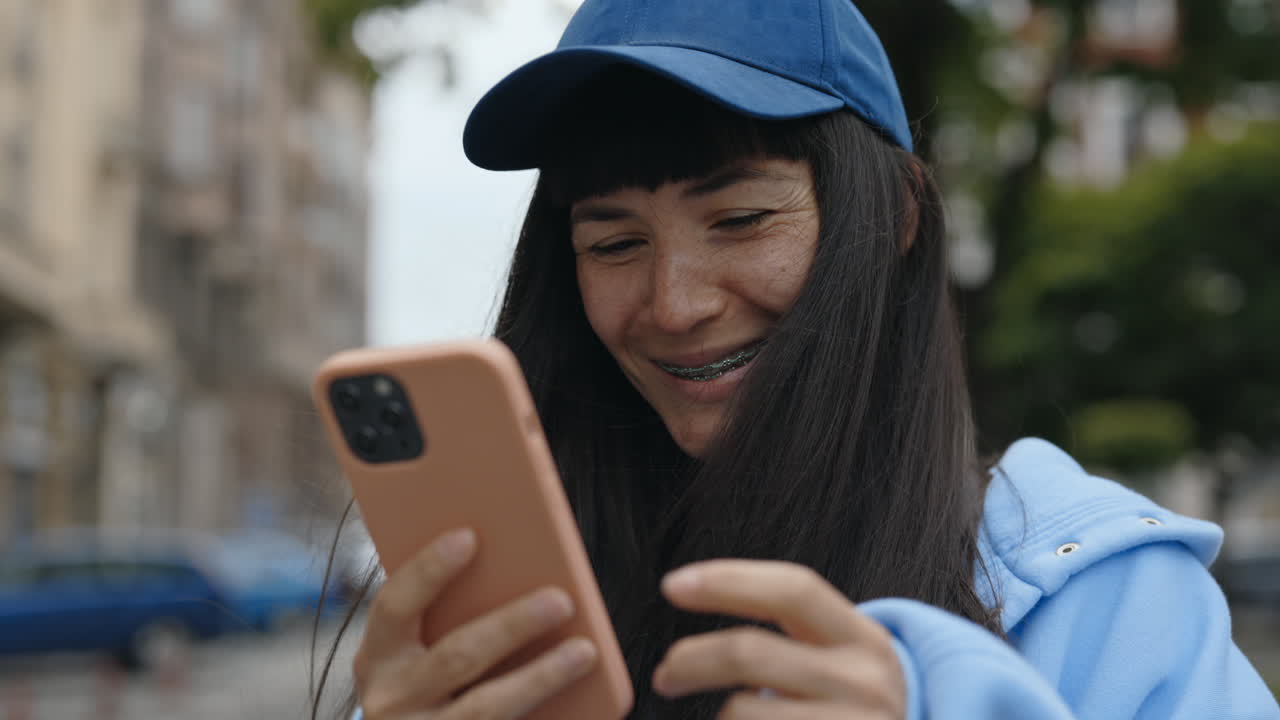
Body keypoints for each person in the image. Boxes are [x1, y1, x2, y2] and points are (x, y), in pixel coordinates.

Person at [314, 1, 1280, 718]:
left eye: (740, 219)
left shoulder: (1111, 604)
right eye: (613, 242)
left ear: (898, 217)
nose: (676, 305)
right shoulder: (495, 613)